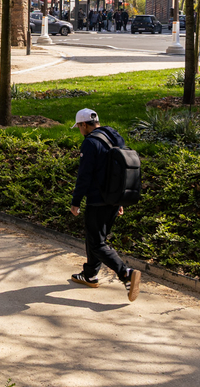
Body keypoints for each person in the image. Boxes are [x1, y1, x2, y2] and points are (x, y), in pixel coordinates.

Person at [68, 107, 142, 302]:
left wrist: (76, 202)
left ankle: (125, 273)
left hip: (97, 200)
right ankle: (90, 274)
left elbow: (84, 176)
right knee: (95, 238)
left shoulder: (91, 143)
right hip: (113, 199)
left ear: (84, 125)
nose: (80, 130)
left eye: (79, 127)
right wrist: (119, 200)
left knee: (97, 242)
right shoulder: (114, 136)